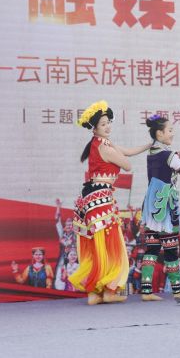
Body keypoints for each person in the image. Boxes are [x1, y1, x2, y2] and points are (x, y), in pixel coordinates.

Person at [69, 100, 150, 305]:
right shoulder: (104, 147)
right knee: (110, 245)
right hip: (101, 200)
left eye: (108, 123)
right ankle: (108, 290)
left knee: (98, 246)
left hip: (91, 198)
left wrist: (150, 145)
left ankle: (95, 293)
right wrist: (116, 149)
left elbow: (128, 151)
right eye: (103, 124)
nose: (107, 127)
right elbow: (127, 164)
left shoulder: (99, 144)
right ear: (95, 128)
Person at [139, 114, 180, 300]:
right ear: (159, 133)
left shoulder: (152, 153)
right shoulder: (168, 156)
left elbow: (179, 154)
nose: (172, 133)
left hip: (151, 204)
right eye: (170, 130)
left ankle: (146, 291)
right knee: (170, 248)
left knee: (152, 248)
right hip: (165, 205)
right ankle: (177, 289)